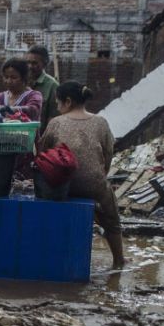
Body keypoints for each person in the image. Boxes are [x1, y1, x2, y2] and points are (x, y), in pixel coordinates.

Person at [39, 81, 125, 269]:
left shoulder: (56, 123)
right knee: (111, 221)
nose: (57, 106)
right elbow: (108, 153)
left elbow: (44, 153)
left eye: (58, 102)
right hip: (94, 184)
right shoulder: (100, 122)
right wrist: (101, 174)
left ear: (67, 102)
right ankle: (119, 260)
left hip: (62, 185)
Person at [26, 45, 59, 132]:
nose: (30, 66)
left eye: (34, 63)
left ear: (45, 63)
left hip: (40, 137)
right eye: (28, 62)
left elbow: (53, 118)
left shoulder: (52, 86)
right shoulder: (21, 81)